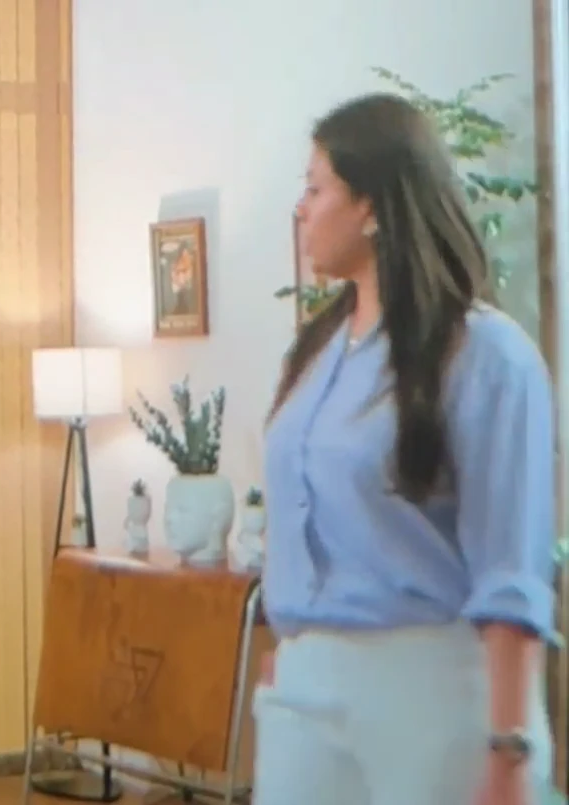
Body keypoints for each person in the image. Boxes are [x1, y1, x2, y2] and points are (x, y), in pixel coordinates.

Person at [257, 92, 559, 804]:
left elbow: (511, 566)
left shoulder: (487, 355)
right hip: (307, 692)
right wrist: (295, 651)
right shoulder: (317, 352)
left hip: (430, 692)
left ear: (370, 205)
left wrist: (509, 746)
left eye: (315, 189)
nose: (300, 209)